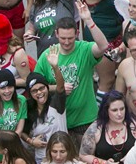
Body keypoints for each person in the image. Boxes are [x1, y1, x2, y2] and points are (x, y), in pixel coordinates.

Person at [32, 8, 110, 147]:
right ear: (56, 34)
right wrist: (57, 88)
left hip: (85, 118)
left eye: (70, 38)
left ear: (77, 34)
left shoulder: (84, 49)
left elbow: (103, 46)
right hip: (58, 120)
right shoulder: (47, 55)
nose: (67, 42)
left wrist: (89, 20)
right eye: (62, 38)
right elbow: (35, 87)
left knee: (87, 159)